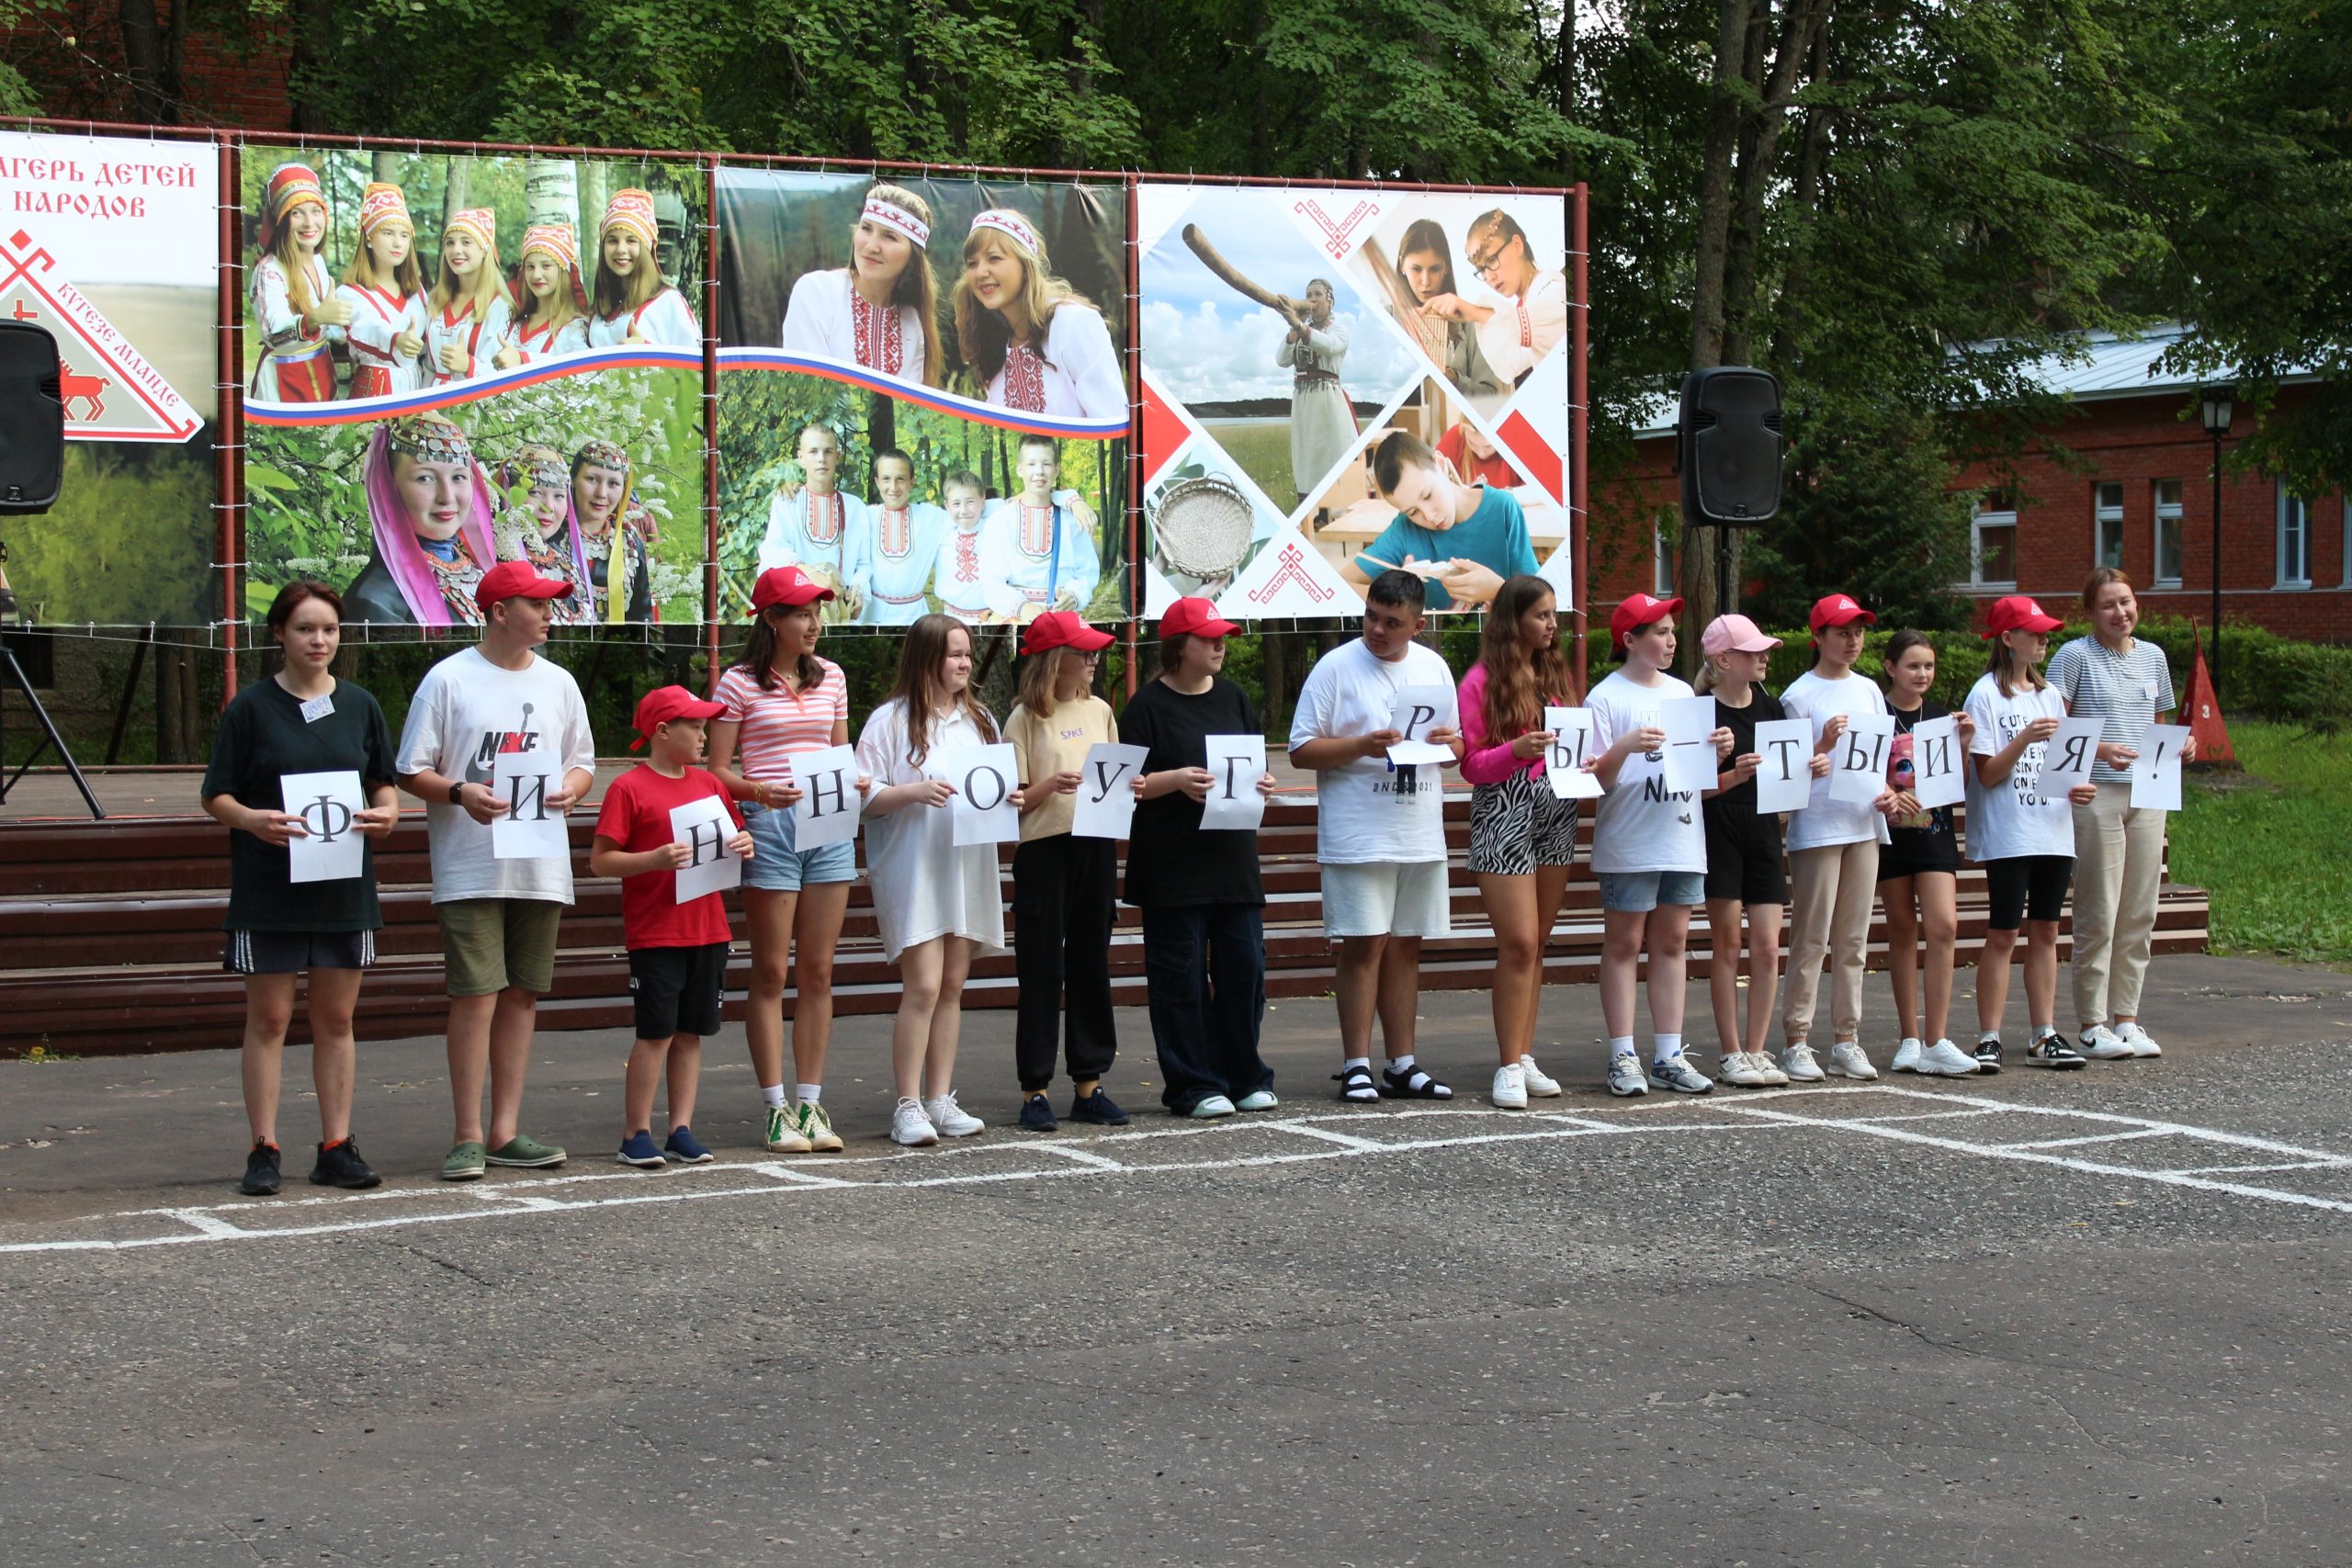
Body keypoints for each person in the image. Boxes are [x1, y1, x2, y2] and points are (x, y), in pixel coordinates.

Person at [394, 560, 598, 1180]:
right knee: (475, 993)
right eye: (535, 603)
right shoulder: (448, 679)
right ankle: (467, 1133)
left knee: (523, 993)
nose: (547, 613)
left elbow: (582, 762)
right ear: (498, 611)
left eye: (550, 602)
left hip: (538, 861)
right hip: (471, 863)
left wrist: (571, 788)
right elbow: (409, 769)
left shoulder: (560, 682)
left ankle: (506, 1129)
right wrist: (460, 793)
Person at [202, 581, 400, 1195]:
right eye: (305, 629)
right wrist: (253, 820)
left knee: (336, 1017)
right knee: (270, 1018)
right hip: (270, 889)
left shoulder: (361, 705)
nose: (319, 640)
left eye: (330, 629)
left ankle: (336, 1145)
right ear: (279, 635)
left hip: (343, 888)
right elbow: (216, 795)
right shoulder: (252, 708)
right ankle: (264, 1147)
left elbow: (384, 784)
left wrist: (388, 813)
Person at [706, 566, 865, 1156]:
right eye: (800, 613)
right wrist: (759, 793)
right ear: (771, 620)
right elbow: (717, 770)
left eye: (816, 613)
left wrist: (855, 780)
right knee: (772, 971)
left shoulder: (835, 678)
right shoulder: (738, 684)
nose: (813, 624)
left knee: (819, 971)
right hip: (769, 827)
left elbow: (836, 754)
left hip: (828, 825)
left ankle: (811, 1102)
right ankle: (776, 1108)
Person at [1288, 569, 1462, 1103]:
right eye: (1371, 617)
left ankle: (1403, 1063)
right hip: (1358, 832)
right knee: (1365, 945)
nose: (1377, 630)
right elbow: (1300, 749)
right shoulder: (1336, 668)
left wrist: (1450, 742)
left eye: (1392, 622)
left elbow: (1454, 747)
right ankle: (1357, 1062)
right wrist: (1361, 745)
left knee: (1406, 945)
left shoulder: (1433, 668)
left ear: (1418, 624)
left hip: (1418, 828)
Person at [855, 614, 1026, 1145]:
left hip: (967, 861)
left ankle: (940, 1098)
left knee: (952, 984)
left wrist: (1012, 797)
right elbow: (864, 798)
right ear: (926, 658)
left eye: (968, 655)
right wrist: (913, 792)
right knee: (924, 985)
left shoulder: (980, 720)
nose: (964, 663)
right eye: (954, 654)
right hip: (915, 864)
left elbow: (992, 790)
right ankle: (907, 1105)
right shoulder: (889, 721)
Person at [1120, 598, 1282, 1118]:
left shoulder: (1234, 698)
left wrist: (1263, 784)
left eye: (1222, 636)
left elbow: (1247, 769)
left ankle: (1244, 1075)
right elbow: (1122, 786)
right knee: (1180, 977)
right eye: (1208, 637)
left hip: (1232, 862)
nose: (1219, 645)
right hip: (1172, 867)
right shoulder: (1145, 706)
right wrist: (1175, 780)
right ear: (1177, 646)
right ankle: (1192, 1084)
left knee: (1244, 970)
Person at [590, 685, 753, 1170]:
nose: (705, 736)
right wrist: (653, 860)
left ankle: (680, 1128)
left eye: (705, 726)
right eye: (696, 726)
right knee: (655, 1032)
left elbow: (734, 835)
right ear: (663, 732)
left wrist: (744, 842)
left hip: (709, 929)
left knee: (691, 1032)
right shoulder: (629, 788)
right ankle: (635, 1132)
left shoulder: (709, 785)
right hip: (657, 931)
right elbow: (601, 861)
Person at [1587, 593, 1729, 1097]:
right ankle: (1622, 1054)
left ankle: (1669, 1053)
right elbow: (1596, 784)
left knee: (1672, 944)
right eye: (1660, 632)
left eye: (1672, 632)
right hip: (1630, 841)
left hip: (1681, 836)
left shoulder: (1683, 696)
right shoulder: (1604, 697)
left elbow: (1698, 779)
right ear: (1629, 640)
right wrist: (1625, 745)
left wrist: (1720, 753)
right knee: (1624, 945)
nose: (1671, 641)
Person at [1455, 574, 1577, 1108]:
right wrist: (1518, 750)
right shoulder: (1479, 681)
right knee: (1520, 942)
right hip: (1504, 809)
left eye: (1553, 615)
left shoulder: (1555, 673)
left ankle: (1524, 1054)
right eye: (1542, 615)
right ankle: (1506, 1064)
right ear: (1514, 621)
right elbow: (1471, 766)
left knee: (1540, 940)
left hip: (1557, 807)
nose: (1552, 625)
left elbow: (1575, 742)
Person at [1005, 612, 1130, 1131]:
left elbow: (1114, 778)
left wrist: (1132, 787)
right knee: (1040, 969)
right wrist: (1047, 787)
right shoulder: (1024, 719)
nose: (1094, 661)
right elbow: (1011, 801)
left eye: (1095, 653)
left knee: (1089, 964)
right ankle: (1034, 1088)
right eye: (1084, 654)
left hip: (1095, 846)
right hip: (1044, 849)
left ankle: (1089, 1082)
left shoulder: (1100, 709)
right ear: (1056, 661)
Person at [2047, 568, 2176, 1060]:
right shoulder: (2074, 657)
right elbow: (2055, 726)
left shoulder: (2154, 657)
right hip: (2095, 792)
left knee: (2140, 909)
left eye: (2126, 602)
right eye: (2108, 605)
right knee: (2098, 908)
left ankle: (2128, 1018)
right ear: (2090, 613)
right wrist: (2100, 750)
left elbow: (2158, 721)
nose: (2120, 613)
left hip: (2148, 790)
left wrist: (2174, 751)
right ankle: (2092, 1022)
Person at [1966, 595, 2097, 1069]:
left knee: (2046, 929)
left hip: (2053, 829)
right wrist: (2023, 739)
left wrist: (2078, 789)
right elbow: (1986, 774)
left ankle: (2045, 1033)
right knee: (2003, 931)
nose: (2044, 640)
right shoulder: (1985, 695)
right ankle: (1989, 1036)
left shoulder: (2050, 695)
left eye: (2046, 633)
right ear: (2008, 638)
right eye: (2035, 632)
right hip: (2010, 832)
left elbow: (2063, 768)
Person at [1778, 592, 1904, 1084]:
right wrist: (1822, 744)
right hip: (1818, 823)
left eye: (1858, 631)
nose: (1852, 640)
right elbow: (1786, 770)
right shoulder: (1799, 695)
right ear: (1819, 638)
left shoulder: (1871, 690)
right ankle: (1797, 1039)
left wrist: (1889, 793)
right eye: (1841, 631)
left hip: (1862, 821)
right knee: (1812, 936)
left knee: (1853, 937)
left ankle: (1846, 1038)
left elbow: (1879, 759)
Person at [1694, 614, 1800, 1089]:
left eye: (1764, 649)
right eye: (1752, 651)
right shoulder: (1700, 711)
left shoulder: (1772, 707)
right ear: (1723, 659)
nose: (1763, 657)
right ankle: (1731, 1051)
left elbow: (1786, 779)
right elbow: (1691, 789)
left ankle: (1757, 1050)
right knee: (1728, 944)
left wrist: (1809, 763)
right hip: (1720, 827)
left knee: (1766, 944)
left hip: (1762, 830)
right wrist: (1730, 776)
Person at [1878, 629, 1984, 1076]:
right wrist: (1887, 792)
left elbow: (1951, 786)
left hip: (1935, 833)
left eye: (1929, 666)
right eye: (1913, 665)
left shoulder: (1940, 717)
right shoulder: (1876, 714)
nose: (1922, 674)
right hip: (1890, 836)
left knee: (1943, 925)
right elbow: (1860, 769)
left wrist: (1962, 744)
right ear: (1890, 667)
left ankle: (1938, 1038)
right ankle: (1910, 1037)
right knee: (1902, 931)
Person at [952, 208, 1126, 421]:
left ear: (1026, 266)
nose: (980, 272)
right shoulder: (993, 342)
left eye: (994, 258)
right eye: (972, 263)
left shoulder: (1073, 323)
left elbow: (1111, 420)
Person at [1343, 430, 1535, 611]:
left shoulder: (1503, 508)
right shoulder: (1404, 531)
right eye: (1412, 512)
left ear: (1441, 465)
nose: (1429, 516)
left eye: (1427, 495)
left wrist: (1498, 590)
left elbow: (1538, 601)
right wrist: (1392, 597)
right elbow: (1338, 584)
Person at [344, 411, 499, 627]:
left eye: (458, 477)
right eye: (425, 478)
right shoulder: (375, 601)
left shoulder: (483, 576)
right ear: (389, 487)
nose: (447, 496)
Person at [780, 183, 942, 388]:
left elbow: (908, 412)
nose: (872, 246)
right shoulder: (816, 292)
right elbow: (808, 391)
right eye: (866, 228)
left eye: (889, 236)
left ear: (912, 257)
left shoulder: (911, 323)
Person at [1421, 209, 1567, 389]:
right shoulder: (1527, 303)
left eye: (1491, 261)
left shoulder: (1553, 290)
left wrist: (1472, 312)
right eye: (1481, 270)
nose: (1489, 277)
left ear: (1517, 245)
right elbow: (1512, 364)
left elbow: (1522, 326)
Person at [247, 162, 346, 403]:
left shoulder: (318, 261)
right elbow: (273, 335)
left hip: (321, 369)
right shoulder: (269, 270)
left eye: (315, 211)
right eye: (296, 213)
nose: (309, 222)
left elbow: (326, 324)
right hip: (285, 378)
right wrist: (315, 318)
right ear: (282, 220)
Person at [756, 423, 871, 621]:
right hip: (795, 608)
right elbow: (774, 552)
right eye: (813, 451)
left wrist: (858, 590)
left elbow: (864, 564)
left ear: (837, 457)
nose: (821, 459)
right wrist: (811, 573)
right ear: (801, 457)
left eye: (828, 452)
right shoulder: (787, 501)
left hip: (839, 611)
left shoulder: (855, 507)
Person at [981, 434, 1100, 619]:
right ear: (1019, 469)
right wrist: (1021, 607)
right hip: (1014, 620)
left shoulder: (1072, 521)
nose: (1039, 471)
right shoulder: (1000, 521)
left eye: (1046, 464)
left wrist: (1074, 596)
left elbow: (1087, 572)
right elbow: (990, 580)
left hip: (1061, 618)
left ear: (1056, 469)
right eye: (1031, 464)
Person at [1384, 218, 1503, 397]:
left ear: (1446, 267)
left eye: (1434, 269)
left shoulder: (1469, 322)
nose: (1426, 281)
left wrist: (1455, 378)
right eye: (1416, 269)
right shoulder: (1385, 318)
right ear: (1402, 265)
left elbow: (1490, 396)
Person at [334, 182, 426, 400]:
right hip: (376, 394)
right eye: (388, 233)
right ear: (368, 238)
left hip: (417, 390)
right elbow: (369, 326)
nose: (397, 243)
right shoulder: (351, 293)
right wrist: (396, 340)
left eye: (404, 235)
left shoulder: (417, 292)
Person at [1276, 278, 1357, 504]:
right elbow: (1281, 360)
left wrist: (1300, 327)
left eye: (1318, 294)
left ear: (1330, 301)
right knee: (1306, 459)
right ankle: (1311, 513)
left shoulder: (1338, 329)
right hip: (1303, 405)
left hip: (1328, 403)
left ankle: (1337, 507)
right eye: (1308, 294)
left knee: (1332, 453)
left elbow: (1330, 346)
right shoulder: (1301, 330)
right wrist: (1295, 328)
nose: (1312, 299)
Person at [588, 187, 701, 347]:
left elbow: (695, 365)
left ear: (646, 248)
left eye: (631, 240)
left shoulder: (668, 302)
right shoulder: (600, 308)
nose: (621, 249)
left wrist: (644, 351)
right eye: (612, 240)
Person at [496, 443, 591, 626]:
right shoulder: (492, 559)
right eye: (536, 493)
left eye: (559, 496)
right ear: (511, 493)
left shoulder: (566, 563)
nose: (548, 507)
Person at [424, 206, 513, 387]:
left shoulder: (499, 306)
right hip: (429, 405)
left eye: (466, 242)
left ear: (484, 250)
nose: (456, 250)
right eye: (450, 242)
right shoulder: (435, 300)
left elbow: (503, 373)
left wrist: (468, 365)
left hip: (471, 408)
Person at [569, 440, 653, 624]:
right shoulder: (550, 538)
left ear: (624, 490)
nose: (601, 493)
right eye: (592, 479)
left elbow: (642, 617)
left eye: (613, 483)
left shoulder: (631, 545)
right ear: (573, 479)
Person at [862, 447, 949, 626]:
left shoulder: (931, 517)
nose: (893, 487)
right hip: (873, 615)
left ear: (912, 482)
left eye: (900, 479)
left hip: (915, 615)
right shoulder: (865, 516)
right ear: (877, 482)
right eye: (886, 479)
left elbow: (974, 510)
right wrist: (792, 490)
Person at [493, 223, 590, 368]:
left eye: (546, 266)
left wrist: (523, 360)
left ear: (563, 271)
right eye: (530, 267)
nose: (536, 275)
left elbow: (580, 375)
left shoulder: (575, 328)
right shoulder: (514, 323)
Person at [933, 468, 997, 624]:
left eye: (970, 502)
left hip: (990, 617)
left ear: (983, 502)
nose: (964, 510)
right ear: (947, 506)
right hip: (951, 616)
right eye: (956, 503)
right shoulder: (941, 532)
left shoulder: (995, 529)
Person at [1435, 419, 1516, 490]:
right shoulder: (1455, 437)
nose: (1480, 454)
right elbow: (1432, 479)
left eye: (1488, 447)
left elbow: (1528, 493)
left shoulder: (1515, 444)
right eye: (1471, 443)